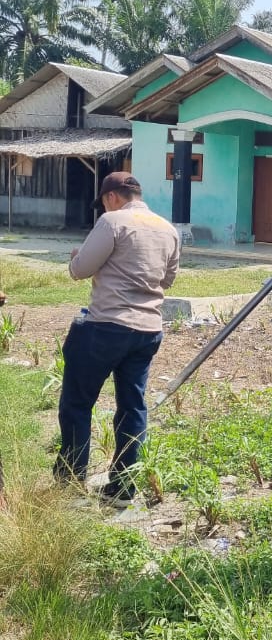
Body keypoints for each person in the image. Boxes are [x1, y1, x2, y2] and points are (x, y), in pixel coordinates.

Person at [54, 172, 180, 503]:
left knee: (77, 405)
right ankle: (123, 486)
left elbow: (81, 269)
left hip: (106, 326)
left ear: (112, 196)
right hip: (148, 330)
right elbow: (167, 280)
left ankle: (70, 481)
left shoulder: (112, 222)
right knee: (132, 407)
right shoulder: (168, 229)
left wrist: (75, 257)